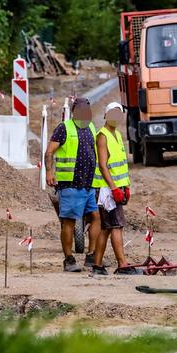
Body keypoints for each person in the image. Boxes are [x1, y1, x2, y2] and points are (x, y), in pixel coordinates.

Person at [45, 98, 101, 272]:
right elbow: (49, 152)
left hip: (88, 184)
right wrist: (49, 172)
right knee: (69, 222)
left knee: (95, 218)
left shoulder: (91, 127)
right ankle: (69, 259)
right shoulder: (64, 128)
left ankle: (91, 256)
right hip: (70, 184)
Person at [90, 102, 139, 275]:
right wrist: (114, 189)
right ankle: (122, 264)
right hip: (106, 190)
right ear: (105, 115)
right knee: (116, 226)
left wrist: (125, 186)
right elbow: (103, 166)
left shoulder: (117, 134)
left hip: (115, 188)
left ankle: (97, 265)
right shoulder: (102, 136)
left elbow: (120, 165)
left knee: (106, 228)